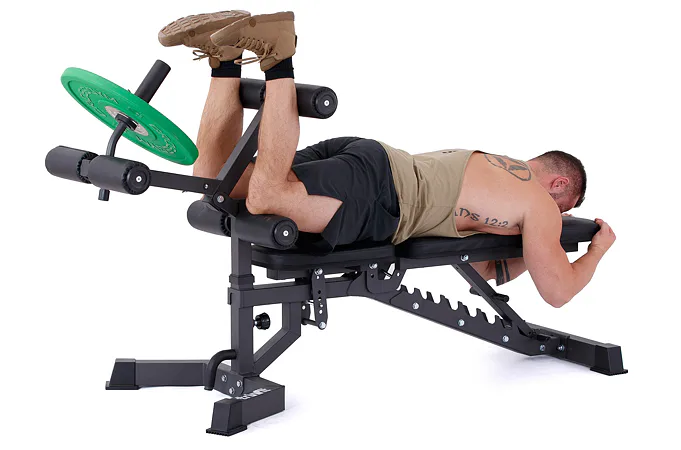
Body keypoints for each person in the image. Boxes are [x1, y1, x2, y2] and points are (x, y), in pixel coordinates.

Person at [158, 10, 616, 308]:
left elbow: (486, 268)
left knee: (216, 183)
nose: (558, 217)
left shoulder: (496, 169)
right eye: (564, 208)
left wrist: (528, 249)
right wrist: (596, 249)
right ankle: (279, 55)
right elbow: (558, 292)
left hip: (372, 161)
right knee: (267, 197)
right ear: (559, 186)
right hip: (385, 195)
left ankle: (224, 58)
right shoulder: (538, 203)